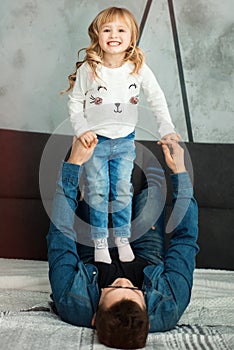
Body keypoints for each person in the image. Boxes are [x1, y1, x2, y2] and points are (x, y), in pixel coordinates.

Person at [47, 137, 199, 349]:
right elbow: (186, 238)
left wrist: (73, 165)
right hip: (146, 256)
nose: (122, 280)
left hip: (93, 251)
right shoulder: (169, 305)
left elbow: (60, 233)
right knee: (154, 194)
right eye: (136, 291)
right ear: (147, 311)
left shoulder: (72, 303)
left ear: (93, 319)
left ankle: (88, 192)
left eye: (111, 288)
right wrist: (180, 172)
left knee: (93, 194)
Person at [63, 6, 180, 264]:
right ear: (98, 35)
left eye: (120, 30)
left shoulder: (136, 68)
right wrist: (82, 130)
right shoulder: (90, 69)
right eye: (107, 29)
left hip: (125, 140)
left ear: (131, 37)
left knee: (122, 190)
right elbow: (75, 102)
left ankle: (122, 238)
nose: (113, 34)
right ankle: (100, 240)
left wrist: (167, 129)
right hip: (96, 141)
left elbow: (157, 98)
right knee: (97, 191)